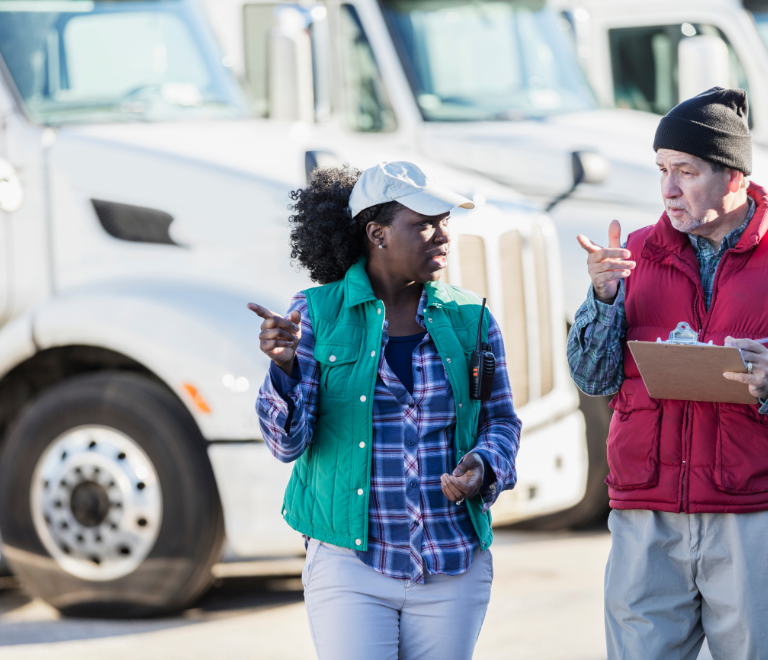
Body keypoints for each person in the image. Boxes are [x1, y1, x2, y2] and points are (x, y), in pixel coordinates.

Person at [249, 161, 521, 660]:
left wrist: (484, 466)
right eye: (423, 224)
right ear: (377, 233)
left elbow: (501, 421)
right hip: (349, 562)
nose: (442, 236)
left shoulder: (471, 317)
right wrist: (285, 368)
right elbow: (285, 444)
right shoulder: (314, 313)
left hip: (451, 559)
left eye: (444, 222)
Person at [567, 87, 768, 659]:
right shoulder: (632, 254)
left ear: (733, 177)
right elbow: (592, 377)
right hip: (646, 513)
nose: (668, 189)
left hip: (750, 513)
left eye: (686, 171)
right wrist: (603, 298)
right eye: (662, 170)